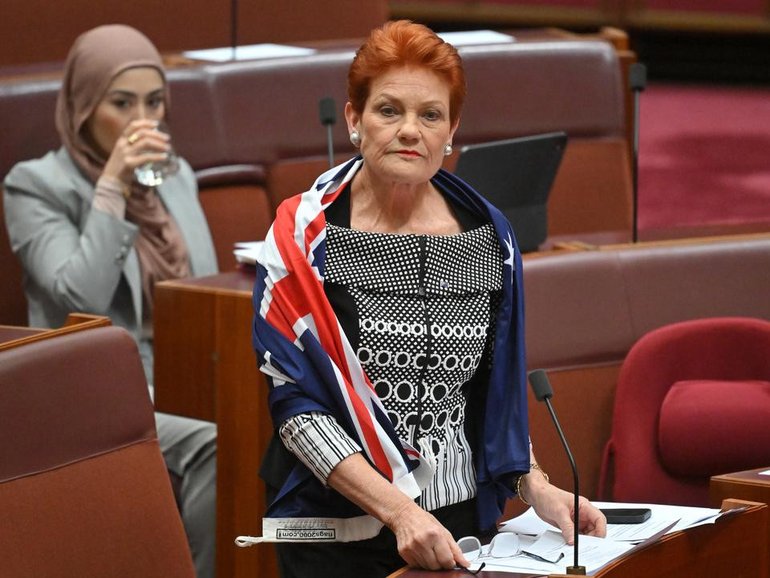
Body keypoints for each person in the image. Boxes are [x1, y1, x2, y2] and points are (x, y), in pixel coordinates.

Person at [251, 19, 606, 577]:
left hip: (457, 530)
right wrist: (399, 513)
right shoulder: (302, 236)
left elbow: (491, 390)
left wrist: (535, 484)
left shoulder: (487, 234)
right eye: (389, 111)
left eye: (430, 115)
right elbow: (296, 409)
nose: (410, 130)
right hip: (334, 530)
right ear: (354, 120)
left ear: (452, 129)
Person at [3, 25, 217, 578]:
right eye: (122, 103)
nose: (142, 120)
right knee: (217, 443)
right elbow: (81, 298)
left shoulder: (176, 176)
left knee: (292, 413)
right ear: (82, 108)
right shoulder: (35, 186)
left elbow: (204, 281)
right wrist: (113, 187)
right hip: (88, 387)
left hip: (184, 372)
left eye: (154, 101)